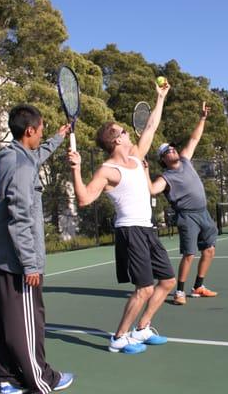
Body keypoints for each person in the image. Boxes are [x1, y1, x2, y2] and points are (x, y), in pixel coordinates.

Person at [68, 81, 175, 354]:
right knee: (144, 289)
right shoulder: (109, 170)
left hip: (148, 229)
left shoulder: (138, 158)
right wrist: (76, 169)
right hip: (130, 232)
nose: (129, 133)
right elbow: (84, 198)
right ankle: (118, 337)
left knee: (167, 282)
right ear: (116, 140)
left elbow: (150, 127)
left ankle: (142, 328)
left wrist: (160, 97)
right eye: (124, 131)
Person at [0, 104, 74, 394]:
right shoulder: (22, 166)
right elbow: (19, 218)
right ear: (30, 131)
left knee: (2, 327)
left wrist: (59, 137)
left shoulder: (8, 156)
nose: (42, 134)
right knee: (27, 326)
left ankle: (8, 380)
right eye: (41, 130)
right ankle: (41, 379)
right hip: (17, 266)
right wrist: (30, 264)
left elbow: (36, 156)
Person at [148, 102, 218, 306]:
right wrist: (144, 170)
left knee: (210, 250)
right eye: (167, 151)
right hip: (187, 217)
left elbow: (195, 138)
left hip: (204, 213)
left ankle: (198, 287)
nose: (172, 150)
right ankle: (179, 291)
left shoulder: (186, 160)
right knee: (189, 254)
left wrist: (203, 117)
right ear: (163, 159)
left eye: (172, 148)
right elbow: (152, 190)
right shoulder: (165, 177)